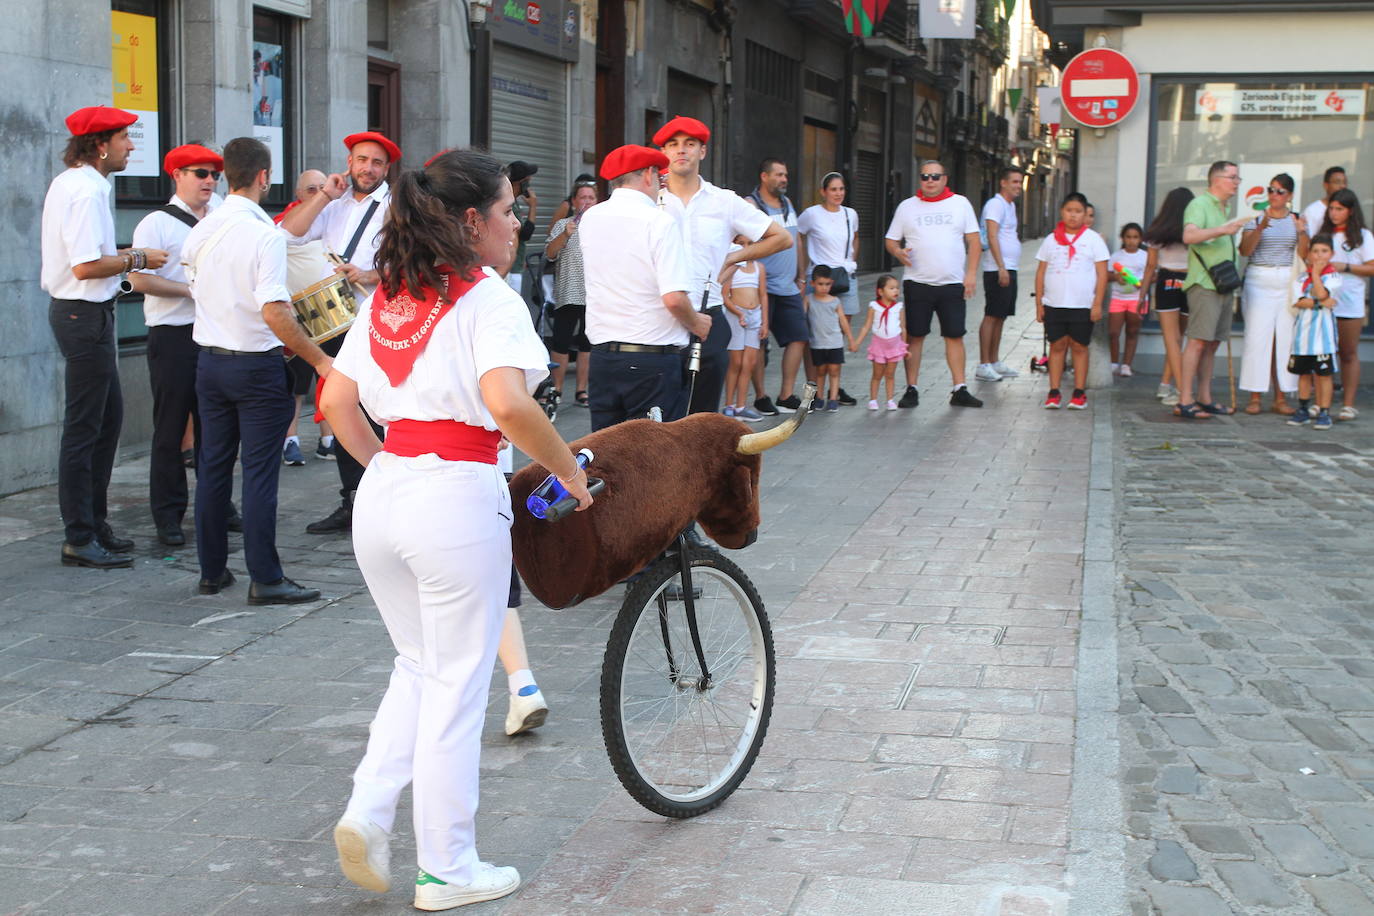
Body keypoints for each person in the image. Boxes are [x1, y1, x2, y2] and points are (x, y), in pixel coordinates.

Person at [318, 147, 592, 910]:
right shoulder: (489, 300)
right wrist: (568, 470)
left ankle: (369, 812)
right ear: (473, 221)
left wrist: (388, 469)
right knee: (459, 686)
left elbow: (338, 404)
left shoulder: (387, 297)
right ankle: (446, 867)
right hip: (455, 493)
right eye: (508, 210)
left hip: (388, 490)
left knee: (418, 664)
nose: (518, 221)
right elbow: (507, 404)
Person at [184, 137, 329, 604]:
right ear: (264, 177)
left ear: (226, 174)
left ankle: (211, 572)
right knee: (260, 475)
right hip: (254, 365)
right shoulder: (264, 233)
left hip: (209, 361)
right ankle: (265, 577)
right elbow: (273, 310)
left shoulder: (201, 230)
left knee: (213, 469)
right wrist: (320, 359)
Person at [41, 106, 169, 569]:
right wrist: (138, 258)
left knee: (106, 421)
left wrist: (128, 256)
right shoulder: (85, 190)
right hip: (82, 314)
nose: (131, 146)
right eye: (123, 138)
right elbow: (85, 266)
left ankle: (93, 525)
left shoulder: (81, 185)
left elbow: (91, 255)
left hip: (89, 314)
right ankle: (79, 534)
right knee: (84, 429)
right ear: (100, 145)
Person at [282, 131, 399, 533]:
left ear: (387, 170)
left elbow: (415, 260)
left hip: (379, 322)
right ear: (348, 163)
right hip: (335, 323)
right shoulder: (333, 205)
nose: (368, 168)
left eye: (377, 163)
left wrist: (366, 273)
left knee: (378, 411)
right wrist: (322, 197)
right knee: (343, 408)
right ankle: (353, 501)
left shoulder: (397, 206)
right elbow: (287, 234)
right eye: (361, 160)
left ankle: (384, 499)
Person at [654, 118, 789, 415]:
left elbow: (782, 238)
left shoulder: (724, 201)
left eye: (690, 144)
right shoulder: (651, 200)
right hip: (656, 319)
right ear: (663, 152)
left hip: (708, 316)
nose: (681, 151)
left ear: (702, 152)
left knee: (702, 418)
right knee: (658, 420)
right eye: (673, 144)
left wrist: (733, 257)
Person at [129, 144, 224, 547]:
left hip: (214, 333)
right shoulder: (155, 223)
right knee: (170, 428)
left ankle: (217, 507)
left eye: (214, 174)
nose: (209, 181)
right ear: (177, 175)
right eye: (200, 173)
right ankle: (168, 515)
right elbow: (139, 280)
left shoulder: (221, 214)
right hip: (172, 336)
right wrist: (192, 291)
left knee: (214, 429)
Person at [580, 144, 705, 430]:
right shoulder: (659, 221)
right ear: (648, 175)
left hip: (603, 357)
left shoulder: (591, 217)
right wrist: (697, 322)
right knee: (654, 460)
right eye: (660, 179)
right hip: (652, 362)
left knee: (605, 454)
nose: (660, 186)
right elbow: (674, 298)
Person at [883, 159, 984, 409]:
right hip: (917, 283)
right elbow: (890, 240)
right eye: (925, 176)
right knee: (915, 336)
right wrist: (897, 253)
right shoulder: (907, 207)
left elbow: (974, 241)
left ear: (945, 179)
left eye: (935, 177)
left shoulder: (960, 204)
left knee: (955, 336)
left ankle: (959, 388)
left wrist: (970, 274)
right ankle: (912, 388)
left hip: (952, 283)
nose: (929, 181)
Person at [1177, 160, 1252, 420]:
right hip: (1205, 283)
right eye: (1232, 177)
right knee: (1197, 341)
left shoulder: (1223, 207)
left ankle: (1204, 397)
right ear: (1216, 179)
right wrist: (1223, 229)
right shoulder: (1199, 205)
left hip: (1222, 283)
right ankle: (1185, 399)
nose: (1236, 182)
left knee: (1211, 343)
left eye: (1237, 178)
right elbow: (1189, 236)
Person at [1238, 172, 1307, 415]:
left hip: (1287, 279)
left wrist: (1301, 232)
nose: (1274, 196)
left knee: (1285, 340)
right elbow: (1245, 251)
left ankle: (1281, 397)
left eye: (1280, 192)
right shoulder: (1255, 219)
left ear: (1289, 196)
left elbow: (1305, 254)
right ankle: (1254, 396)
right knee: (1257, 338)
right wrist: (1260, 228)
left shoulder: (1297, 220)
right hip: (1260, 277)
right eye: (1271, 190)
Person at [1035, 192, 1109, 410]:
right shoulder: (1051, 240)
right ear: (1062, 212)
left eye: (1078, 211)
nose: (1073, 216)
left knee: (1079, 346)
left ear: (1085, 214)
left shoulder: (1093, 240)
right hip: (1054, 303)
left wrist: (1097, 303)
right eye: (1069, 211)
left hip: (1082, 304)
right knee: (1057, 345)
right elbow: (1041, 272)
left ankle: (1079, 392)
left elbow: (1102, 274)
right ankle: (1054, 391)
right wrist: (1039, 304)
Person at [795, 170, 860, 406]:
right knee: (815, 336)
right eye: (833, 189)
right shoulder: (812, 214)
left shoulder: (850, 214)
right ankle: (813, 389)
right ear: (823, 192)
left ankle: (834, 386)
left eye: (841, 189)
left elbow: (855, 238)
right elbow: (797, 238)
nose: (838, 193)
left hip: (844, 277)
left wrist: (851, 263)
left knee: (837, 334)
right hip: (819, 277)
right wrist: (802, 273)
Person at [1320, 188, 1374, 421]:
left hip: (1350, 301)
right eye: (1331, 208)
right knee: (1323, 352)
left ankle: (1348, 403)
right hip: (1324, 300)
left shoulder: (1363, 236)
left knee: (1348, 352)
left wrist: (1347, 267)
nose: (1334, 213)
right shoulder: (1324, 234)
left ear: (1350, 211)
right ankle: (1323, 402)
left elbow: (1371, 267)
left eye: (1339, 209)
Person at [544, 181, 598, 407]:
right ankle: (556, 390)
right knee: (561, 341)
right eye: (582, 197)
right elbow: (549, 253)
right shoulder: (562, 225)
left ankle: (582, 390)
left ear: (597, 202)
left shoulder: (602, 225)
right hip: (568, 291)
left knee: (587, 343)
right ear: (574, 202)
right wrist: (565, 234)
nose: (586, 202)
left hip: (594, 292)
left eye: (590, 198)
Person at [1139, 188, 1195, 407]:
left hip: (1166, 281)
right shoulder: (1192, 229)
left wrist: (1142, 294)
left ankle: (1169, 385)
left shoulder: (1158, 229)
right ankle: (1181, 390)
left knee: (1171, 340)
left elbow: (1150, 266)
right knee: (1179, 338)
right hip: (1190, 282)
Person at [1286, 234, 1341, 431]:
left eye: (1324, 251)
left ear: (1332, 254)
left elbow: (1323, 293)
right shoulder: (1301, 278)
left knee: (1324, 375)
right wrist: (1320, 303)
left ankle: (1324, 411)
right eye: (1315, 251)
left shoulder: (1333, 276)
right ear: (1309, 254)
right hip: (1303, 336)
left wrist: (1316, 276)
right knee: (1303, 373)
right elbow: (1299, 301)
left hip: (1323, 338)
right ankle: (1303, 408)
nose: (1319, 256)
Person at [976, 166, 1025, 381]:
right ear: (1003, 183)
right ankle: (983, 363)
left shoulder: (1010, 206)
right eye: (1014, 181)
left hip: (1009, 267)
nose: (1018, 186)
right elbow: (992, 236)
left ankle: (994, 360)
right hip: (997, 269)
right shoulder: (995, 205)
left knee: (1001, 316)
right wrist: (1001, 267)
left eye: (1020, 182)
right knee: (992, 315)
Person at [719, 243, 767, 421]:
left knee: (749, 364)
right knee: (736, 363)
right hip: (736, 316)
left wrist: (765, 322)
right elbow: (724, 294)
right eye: (742, 244)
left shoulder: (759, 267)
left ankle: (741, 406)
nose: (746, 247)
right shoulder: (733, 268)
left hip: (755, 317)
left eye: (750, 244)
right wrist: (739, 313)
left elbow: (763, 295)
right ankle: (729, 405)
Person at [850, 274, 908, 410]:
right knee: (877, 374)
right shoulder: (874, 306)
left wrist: (904, 347)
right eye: (891, 288)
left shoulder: (898, 307)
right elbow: (866, 326)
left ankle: (890, 399)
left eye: (897, 288)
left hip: (894, 345)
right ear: (880, 291)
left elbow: (903, 328)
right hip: (879, 345)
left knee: (890, 374)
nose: (896, 291)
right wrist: (857, 342)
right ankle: (873, 399)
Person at [804, 265, 852, 412]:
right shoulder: (808, 299)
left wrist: (851, 339)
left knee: (834, 370)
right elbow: (802, 317)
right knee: (820, 370)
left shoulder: (835, 301)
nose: (824, 287)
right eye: (820, 284)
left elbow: (843, 321)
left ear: (832, 283)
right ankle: (819, 398)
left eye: (827, 284)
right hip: (817, 343)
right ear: (812, 284)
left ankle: (833, 398)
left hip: (835, 342)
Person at [1106, 222, 1148, 377]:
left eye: (1135, 237)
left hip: (1136, 299)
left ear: (1141, 239)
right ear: (1123, 238)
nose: (1131, 241)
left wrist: (1142, 283)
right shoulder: (1116, 256)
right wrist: (1116, 277)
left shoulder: (1145, 256)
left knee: (1132, 331)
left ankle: (1126, 365)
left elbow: (1153, 275)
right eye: (1128, 237)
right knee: (1113, 332)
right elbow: (1107, 275)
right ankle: (1114, 363)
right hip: (1117, 297)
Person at [504, 160, 539, 298]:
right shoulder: (508, 203)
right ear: (521, 182)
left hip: (515, 265)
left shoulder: (514, 202)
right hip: (509, 269)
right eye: (528, 180)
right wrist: (533, 206)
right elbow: (525, 234)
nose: (530, 185)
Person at [1302, 166, 1347, 237]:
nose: (1342, 186)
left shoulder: (1349, 210)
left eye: (1344, 182)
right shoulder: (1312, 211)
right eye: (1337, 182)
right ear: (1326, 185)